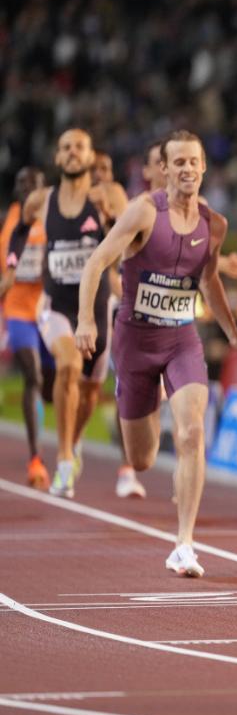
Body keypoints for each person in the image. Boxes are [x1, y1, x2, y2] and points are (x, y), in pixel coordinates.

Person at [76, 129, 237, 577]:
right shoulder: (143, 211)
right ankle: (142, 396)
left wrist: (234, 336)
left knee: (192, 433)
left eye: (194, 162)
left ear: (203, 168)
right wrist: (86, 319)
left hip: (182, 339)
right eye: (177, 162)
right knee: (141, 458)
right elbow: (97, 262)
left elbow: (210, 282)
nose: (186, 170)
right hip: (135, 343)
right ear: (164, 169)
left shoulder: (213, 224)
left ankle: (184, 545)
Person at [7, 128, 128, 497]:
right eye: (65, 148)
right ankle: (61, 461)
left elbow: (135, 240)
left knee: (90, 392)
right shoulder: (42, 201)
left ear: (91, 157)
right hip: (56, 307)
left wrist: (110, 224)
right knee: (68, 365)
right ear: (57, 158)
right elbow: (19, 232)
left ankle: (73, 445)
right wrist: (12, 268)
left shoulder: (110, 195)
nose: (72, 153)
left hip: (96, 306)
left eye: (79, 147)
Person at [91, 146, 147, 499]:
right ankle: (70, 448)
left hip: (115, 305)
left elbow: (127, 255)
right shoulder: (71, 205)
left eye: (107, 168)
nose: (101, 174)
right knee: (83, 388)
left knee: (125, 386)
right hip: (76, 305)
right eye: (96, 169)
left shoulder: (123, 205)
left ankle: (127, 468)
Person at [0, 166, 52, 488]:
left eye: (33, 184)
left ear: (44, 189)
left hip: (50, 310)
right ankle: (36, 459)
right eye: (21, 184)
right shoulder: (9, 225)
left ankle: (60, 444)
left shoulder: (56, 219)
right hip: (18, 311)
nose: (27, 189)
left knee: (54, 382)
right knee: (33, 375)